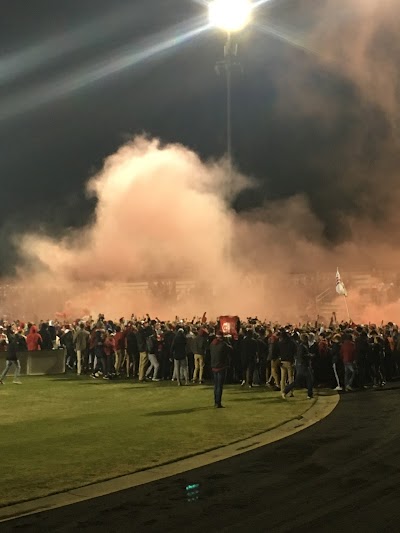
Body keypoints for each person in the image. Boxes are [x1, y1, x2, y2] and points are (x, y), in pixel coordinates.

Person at [282, 333, 314, 399]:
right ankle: (309, 394)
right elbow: (301, 356)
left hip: (301, 366)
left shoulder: (301, 346)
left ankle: (285, 391)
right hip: (303, 366)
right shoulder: (302, 346)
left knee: (298, 381)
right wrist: (310, 356)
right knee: (309, 380)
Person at [210, 331, 231, 408]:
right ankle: (218, 402)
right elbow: (231, 350)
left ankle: (216, 401)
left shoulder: (212, 344)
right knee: (219, 386)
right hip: (221, 367)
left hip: (214, 366)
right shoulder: (223, 345)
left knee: (216, 386)